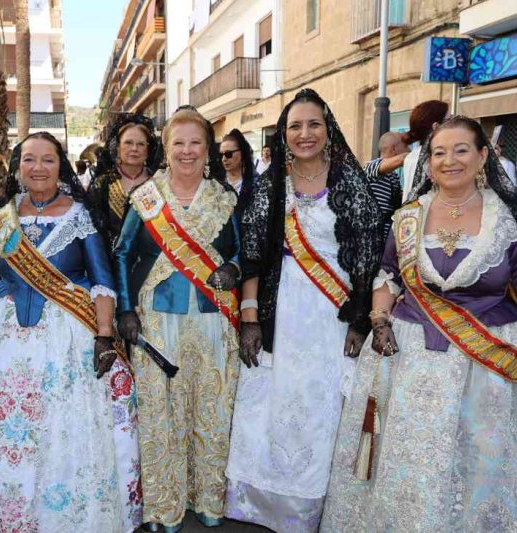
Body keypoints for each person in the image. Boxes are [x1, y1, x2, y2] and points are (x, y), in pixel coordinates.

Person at [322, 116, 517, 532]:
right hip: (411, 360)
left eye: (461, 150)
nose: (449, 160)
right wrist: (379, 320)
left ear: (483, 157)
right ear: (428, 162)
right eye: (439, 152)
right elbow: (387, 278)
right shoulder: (408, 218)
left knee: (477, 465)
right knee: (410, 458)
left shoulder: (506, 220)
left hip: (485, 366)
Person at [0, 132, 142, 532]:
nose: (38, 168)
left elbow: (102, 279)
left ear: (61, 166)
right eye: (29, 159)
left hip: (64, 336)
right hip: (2, 339)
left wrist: (103, 335)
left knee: (58, 425)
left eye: (48, 160)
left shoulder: (80, 215)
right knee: (6, 427)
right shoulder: (4, 216)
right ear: (17, 166)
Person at [224, 88, 381, 532]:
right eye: (295, 125)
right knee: (268, 403)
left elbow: (368, 257)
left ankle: (312, 507)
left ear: (328, 129)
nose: (305, 133)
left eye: (314, 124)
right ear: (283, 133)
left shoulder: (351, 183)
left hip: (332, 314)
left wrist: (360, 320)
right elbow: (253, 257)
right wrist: (249, 319)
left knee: (321, 406)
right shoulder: (269, 185)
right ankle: (259, 501)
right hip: (279, 311)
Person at [114, 106, 240, 532]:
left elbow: (241, 251)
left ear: (208, 149)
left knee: (211, 409)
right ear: (165, 150)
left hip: (212, 319)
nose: (187, 151)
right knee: (161, 413)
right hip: (157, 321)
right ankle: (164, 506)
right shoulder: (147, 198)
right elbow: (122, 253)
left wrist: (234, 269)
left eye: (195, 143)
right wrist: (126, 309)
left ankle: (207, 498)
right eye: (178, 143)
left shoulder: (223, 199)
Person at [88, 113, 162, 249]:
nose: (134, 149)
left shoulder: (159, 182)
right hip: (111, 257)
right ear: (117, 147)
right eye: (128, 143)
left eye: (141, 144)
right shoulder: (102, 184)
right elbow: (93, 231)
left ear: (148, 149)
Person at [363, 131, 410, 242]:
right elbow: (403, 158)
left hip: (385, 240)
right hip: (370, 240)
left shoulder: (394, 176)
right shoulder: (370, 167)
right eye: (406, 145)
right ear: (393, 149)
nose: (409, 149)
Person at [401, 100, 450, 202]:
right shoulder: (434, 156)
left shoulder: (412, 155)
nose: (454, 125)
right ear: (436, 126)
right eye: (449, 120)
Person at [220, 128, 257, 214]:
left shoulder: (256, 183)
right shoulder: (216, 182)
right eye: (221, 155)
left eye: (228, 154)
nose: (224, 159)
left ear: (242, 153)